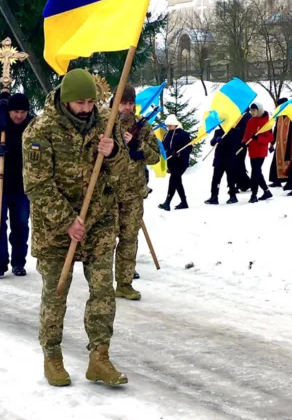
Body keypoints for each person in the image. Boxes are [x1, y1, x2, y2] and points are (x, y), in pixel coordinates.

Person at [23, 69, 128, 388]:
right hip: (56, 228)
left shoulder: (106, 121)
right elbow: (36, 185)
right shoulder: (40, 131)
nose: (86, 108)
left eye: (90, 102)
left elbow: (122, 169)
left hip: (99, 221)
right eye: (80, 103)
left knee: (102, 291)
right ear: (66, 100)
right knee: (56, 293)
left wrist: (113, 153)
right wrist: (67, 221)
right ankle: (52, 355)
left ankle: (100, 356)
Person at [112, 84, 161, 301]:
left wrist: (136, 145)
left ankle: (124, 283)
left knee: (129, 238)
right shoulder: (105, 123)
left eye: (130, 103)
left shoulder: (142, 127)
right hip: (108, 192)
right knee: (104, 240)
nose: (127, 107)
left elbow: (155, 157)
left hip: (132, 192)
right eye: (123, 103)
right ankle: (101, 283)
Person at [0, 91, 34, 278]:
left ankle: (19, 262)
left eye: (23, 112)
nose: (19, 116)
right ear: (9, 111)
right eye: (15, 111)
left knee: (21, 223)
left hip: (22, 184)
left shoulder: (32, 127)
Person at [241, 103, 274, 203]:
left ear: (259, 110)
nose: (252, 112)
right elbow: (247, 133)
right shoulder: (250, 121)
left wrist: (258, 138)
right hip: (252, 150)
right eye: (251, 110)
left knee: (255, 172)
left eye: (254, 110)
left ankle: (254, 194)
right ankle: (266, 191)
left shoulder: (267, 122)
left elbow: (270, 138)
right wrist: (244, 142)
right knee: (257, 172)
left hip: (261, 150)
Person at [159, 115, 192, 211]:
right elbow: (165, 146)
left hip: (181, 162)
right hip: (172, 162)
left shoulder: (183, 134)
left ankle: (167, 202)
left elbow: (189, 148)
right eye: (167, 126)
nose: (168, 128)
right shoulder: (167, 134)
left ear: (175, 125)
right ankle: (183, 202)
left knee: (174, 180)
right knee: (176, 182)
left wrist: (179, 153)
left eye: (170, 126)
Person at [206, 121, 243, 205]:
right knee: (216, 178)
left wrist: (225, 141)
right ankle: (214, 196)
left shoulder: (233, 131)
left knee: (230, 178)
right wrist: (216, 139)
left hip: (229, 158)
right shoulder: (218, 132)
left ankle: (232, 196)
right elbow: (212, 143)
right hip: (219, 158)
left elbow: (237, 144)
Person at [269, 98, 292, 188]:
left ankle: (289, 179)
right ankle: (277, 180)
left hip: (288, 143)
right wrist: (272, 141)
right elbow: (276, 129)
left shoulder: (291, 115)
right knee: (276, 162)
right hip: (280, 143)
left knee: (288, 161)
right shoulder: (279, 116)